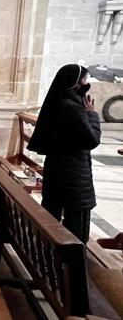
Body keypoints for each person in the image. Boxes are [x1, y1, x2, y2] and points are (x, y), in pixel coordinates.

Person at [27, 64, 101, 243]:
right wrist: (92, 114)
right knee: (76, 226)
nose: (86, 83)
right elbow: (92, 140)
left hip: (56, 170)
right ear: (75, 83)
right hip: (74, 177)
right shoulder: (73, 108)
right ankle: (71, 265)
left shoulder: (57, 103)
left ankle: (45, 251)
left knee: (51, 213)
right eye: (84, 79)